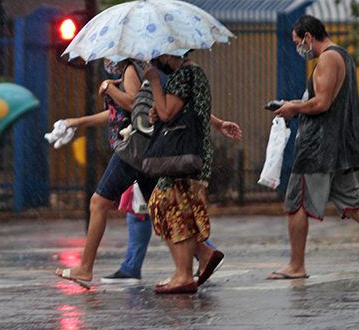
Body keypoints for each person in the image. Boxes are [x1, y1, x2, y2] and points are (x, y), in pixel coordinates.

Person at [55, 58, 240, 289]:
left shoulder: (133, 69)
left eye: (107, 54)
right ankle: (203, 254)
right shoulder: (146, 71)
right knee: (161, 209)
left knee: (99, 202)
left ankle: (86, 268)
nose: (105, 60)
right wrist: (77, 122)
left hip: (133, 150)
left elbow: (135, 103)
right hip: (148, 151)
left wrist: (109, 88)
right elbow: (174, 102)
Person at [267, 15, 359, 279]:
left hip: (318, 147)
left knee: (296, 203)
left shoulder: (328, 58)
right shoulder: (341, 55)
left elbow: (322, 103)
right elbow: (325, 99)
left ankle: (296, 266)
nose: (298, 48)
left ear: (309, 37)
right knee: (352, 203)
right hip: (336, 146)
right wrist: (294, 104)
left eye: (298, 42)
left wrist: (292, 108)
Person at [143, 54, 220, 294]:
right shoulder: (193, 74)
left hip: (184, 153)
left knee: (171, 206)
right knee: (171, 206)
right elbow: (181, 111)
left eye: (158, 53)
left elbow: (168, 114)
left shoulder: (182, 75)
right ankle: (203, 255)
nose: (155, 59)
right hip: (193, 150)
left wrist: (154, 83)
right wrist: (158, 109)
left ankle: (184, 274)